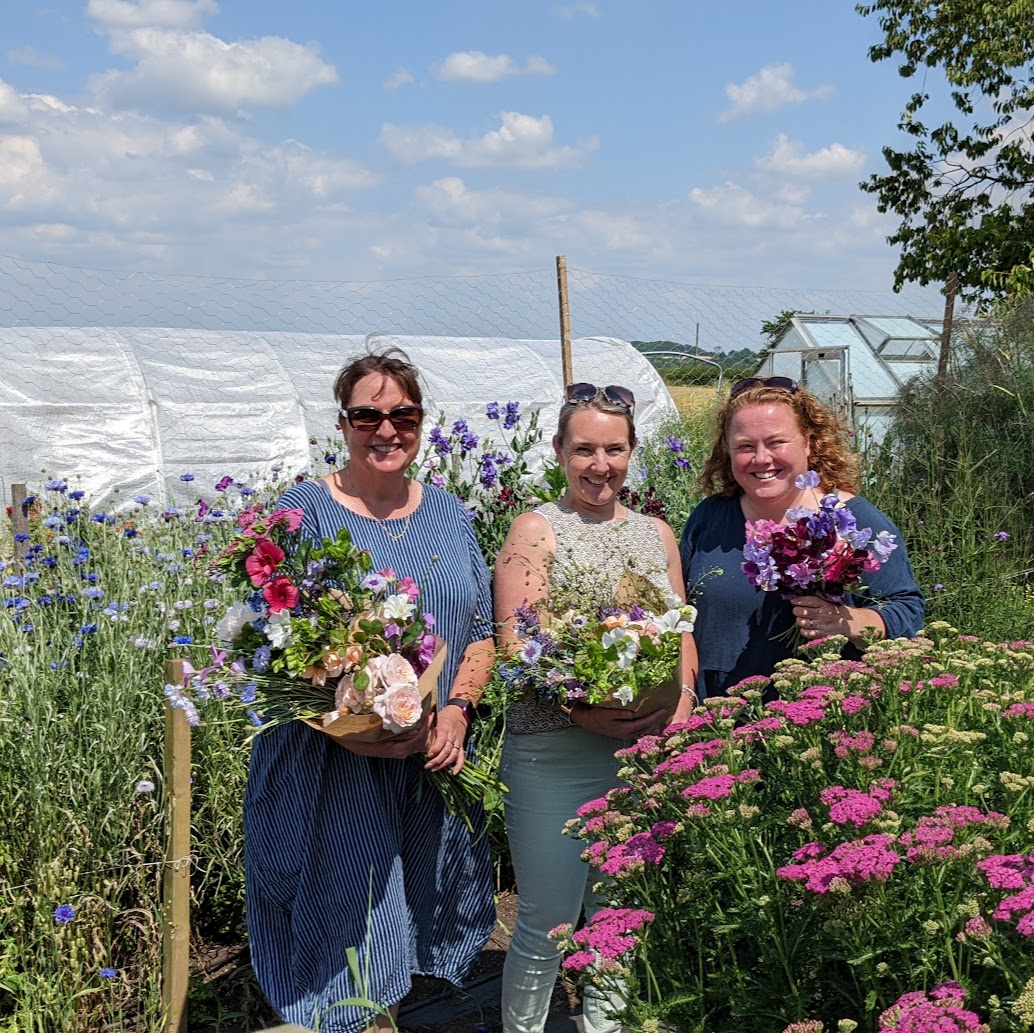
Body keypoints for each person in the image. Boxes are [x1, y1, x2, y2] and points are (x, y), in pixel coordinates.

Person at [243, 347, 496, 1033]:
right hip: (335, 761)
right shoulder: (305, 513)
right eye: (367, 415)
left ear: (420, 420)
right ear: (343, 422)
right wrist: (364, 724)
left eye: (402, 414)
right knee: (348, 926)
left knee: (412, 916)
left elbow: (480, 631)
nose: (386, 429)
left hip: (427, 756)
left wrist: (455, 710)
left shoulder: (448, 514)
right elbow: (275, 645)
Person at [494, 383, 699, 1033]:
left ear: (632, 452)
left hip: (638, 751)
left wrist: (684, 705)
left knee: (618, 917)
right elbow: (517, 645)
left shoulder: (655, 533)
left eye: (613, 448)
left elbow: (681, 633)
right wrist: (583, 711)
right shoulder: (535, 530)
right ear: (558, 450)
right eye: (584, 448)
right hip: (553, 752)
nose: (599, 463)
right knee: (548, 920)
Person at [680, 375, 925, 699]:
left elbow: (908, 613)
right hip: (716, 725)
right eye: (745, 446)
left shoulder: (852, 521)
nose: (762, 458)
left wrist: (848, 621)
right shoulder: (709, 518)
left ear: (808, 442)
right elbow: (677, 615)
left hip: (812, 725)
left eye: (776, 442)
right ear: (727, 449)